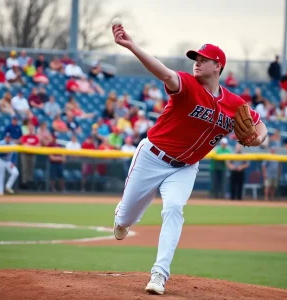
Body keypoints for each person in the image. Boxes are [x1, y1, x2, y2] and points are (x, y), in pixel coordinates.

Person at [111, 23, 268, 295]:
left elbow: (260, 125)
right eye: (196, 58)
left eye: (204, 59)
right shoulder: (185, 85)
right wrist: (132, 46)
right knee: (126, 219)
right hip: (152, 156)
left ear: (218, 66)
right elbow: (162, 71)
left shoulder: (234, 104)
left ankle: (159, 275)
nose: (197, 62)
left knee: (173, 209)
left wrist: (258, 139)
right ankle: (122, 218)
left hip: (185, 168)